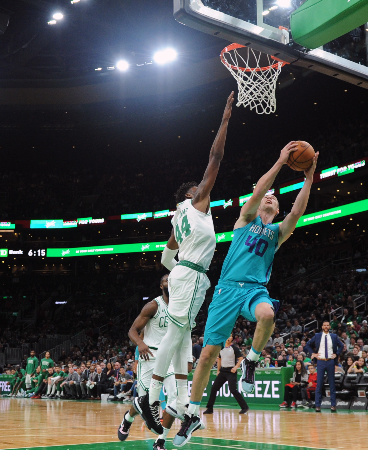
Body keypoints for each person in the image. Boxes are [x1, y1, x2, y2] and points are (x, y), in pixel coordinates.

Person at [177, 142, 318, 446]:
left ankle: (251, 361)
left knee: (267, 314)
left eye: (274, 198)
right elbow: (259, 191)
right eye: (266, 195)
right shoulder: (246, 218)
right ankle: (193, 413)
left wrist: (309, 177)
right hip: (227, 290)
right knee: (206, 357)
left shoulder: (277, 232)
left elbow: (298, 210)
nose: (269, 196)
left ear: (277, 209)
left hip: (255, 290)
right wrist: (281, 162)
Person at [137, 93, 234, 449]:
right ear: (194, 194)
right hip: (192, 275)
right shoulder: (195, 204)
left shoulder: (178, 217)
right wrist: (224, 120)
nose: (206, 192)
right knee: (179, 337)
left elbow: (166, 258)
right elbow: (216, 157)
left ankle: (177, 403)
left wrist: (173, 273)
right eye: (200, 190)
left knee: (181, 336)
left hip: (182, 274)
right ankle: (150, 396)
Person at [120, 274, 187, 442]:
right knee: (146, 403)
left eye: (172, 280)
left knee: (174, 395)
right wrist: (140, 344)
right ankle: (128, 419)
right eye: (166, 280)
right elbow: (132, 331)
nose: (169, 282)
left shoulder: (181, 307)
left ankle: (161, 439)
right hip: (150, 355)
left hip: (169, 356)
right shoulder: (153, 306)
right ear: (161, 286)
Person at [304, 321, 344, 412]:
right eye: (324, 325)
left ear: (329, 326)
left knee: (332, 384)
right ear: (322, 326)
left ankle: (333, 405)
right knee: (319, 384)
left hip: (330, 361)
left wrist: (336, 354)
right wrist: (313, 353)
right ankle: (317, 405)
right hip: (320, 362)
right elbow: (308, 344)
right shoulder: (317, 336)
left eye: (327, 325)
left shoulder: (333, 336)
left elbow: (341, 345)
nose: (326, 327)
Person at [203, 335, 249, 414]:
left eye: (230, 336)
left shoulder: (234, 348)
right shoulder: (221, 347)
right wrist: (218, 370)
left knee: (233, 390)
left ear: (232, 338)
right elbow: (220, 359)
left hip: (231, 371)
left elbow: (241, 358)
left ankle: (245, 407)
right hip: (223, 371)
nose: (228, 337)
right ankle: (210, 408)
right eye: (227, 336)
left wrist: (235, 367)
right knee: (214, 388)